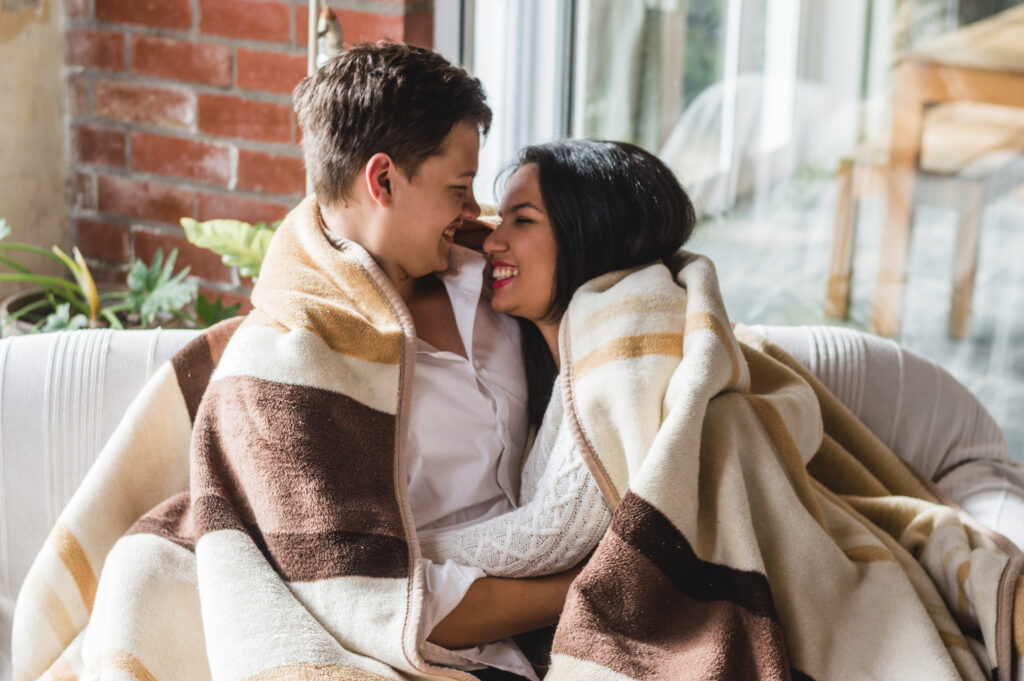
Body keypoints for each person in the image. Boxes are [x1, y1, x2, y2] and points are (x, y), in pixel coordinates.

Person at [421, 139, 1024, 679]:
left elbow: (559, 529)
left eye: (520, 219)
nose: (494, 236)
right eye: (496, 217)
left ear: (588, 232)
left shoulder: (624, 327)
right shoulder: (556, 353)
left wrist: (407, 553)